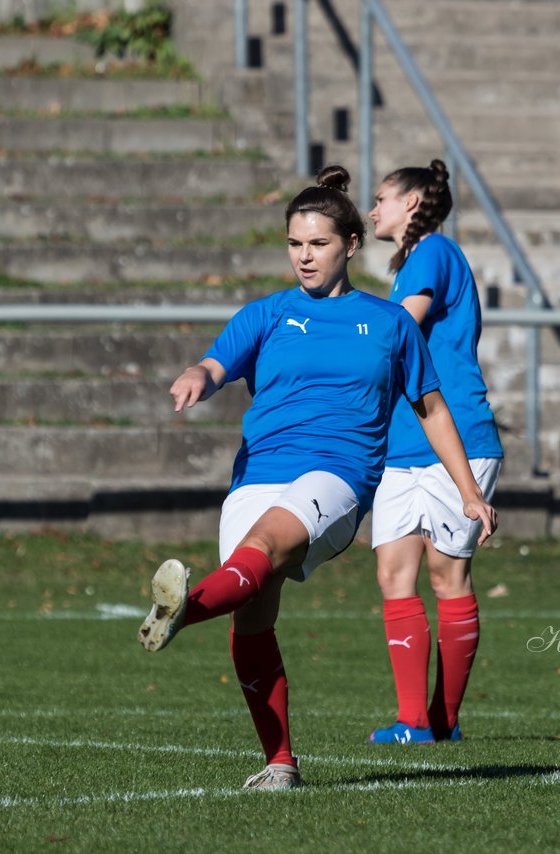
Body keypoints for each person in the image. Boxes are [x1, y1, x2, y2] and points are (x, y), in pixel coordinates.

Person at [137, 165, 497, 790]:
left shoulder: (389, 324)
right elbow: (216, 362)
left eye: (319, 244)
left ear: (351, 245)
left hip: (337, 474)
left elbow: (433, 410)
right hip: (257, 472)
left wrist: (469, 492)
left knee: (262, 549)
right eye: (295, 245)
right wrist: (199, 375)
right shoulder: (267, 313)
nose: (305, 257)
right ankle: (280, 762)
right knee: (250, 613)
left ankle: (180, 613)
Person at [363, 159, 503, 745]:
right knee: (394, 573)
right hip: (404, 442)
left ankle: (441, 720)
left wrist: (342, 325)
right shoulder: (410, 264)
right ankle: (412, 722)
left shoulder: (433, 254)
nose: (373, 209)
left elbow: (401, 329)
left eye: (382, 198)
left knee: (448, 578)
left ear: (415, 201)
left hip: (457, 438)